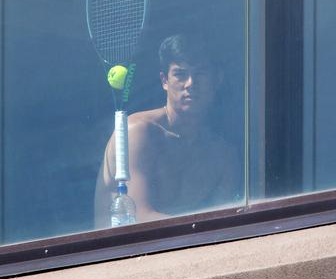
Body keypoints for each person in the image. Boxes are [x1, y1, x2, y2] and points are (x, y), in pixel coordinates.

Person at [94, 34, 242, 227]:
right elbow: (138, 219)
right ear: (164, 81)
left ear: (217, 79)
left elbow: (225, 226)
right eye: (180, 74)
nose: (190, 83)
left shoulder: (223, 155)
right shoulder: (138, 132)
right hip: (122, 254)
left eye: (201, 73)